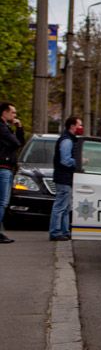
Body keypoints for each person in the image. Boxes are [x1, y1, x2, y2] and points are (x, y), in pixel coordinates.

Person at [49, 117, 84, 241]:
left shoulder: (69, 139)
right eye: (80, 125)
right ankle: (55, 231)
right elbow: (65, 160)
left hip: (66, 178)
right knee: (60, 206)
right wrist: (80, 161)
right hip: (64, 177)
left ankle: (64, 231)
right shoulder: (67, 141)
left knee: (66, 206)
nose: (81, 127)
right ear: (72, 126)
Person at [0, 102, 24, 244]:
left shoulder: (6, 127)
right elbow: (16, 143)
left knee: (3, 202)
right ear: (4, 112)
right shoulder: (2, 128)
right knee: (2, 202)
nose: (15, 115)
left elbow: (20, 142)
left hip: (7, 168)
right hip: (3, 168)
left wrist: (19, 127)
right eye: (13, 112)